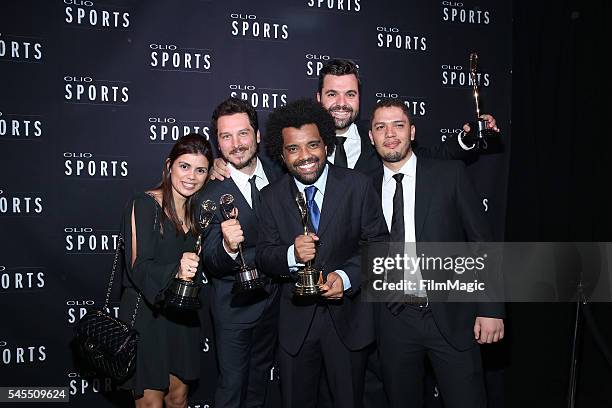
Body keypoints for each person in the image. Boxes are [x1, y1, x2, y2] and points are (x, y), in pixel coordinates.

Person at [368, 98, 504, 408]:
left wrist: (491, 308)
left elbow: (482, 242)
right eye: (381, 127)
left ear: (412, 132)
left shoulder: (449, 174)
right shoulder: (364, 186)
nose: (390, 134)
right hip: (393, 320)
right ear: (371, 137)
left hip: (452, 315)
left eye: (398, 125)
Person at [256, 98, 389, 408]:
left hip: (348, 325)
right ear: (281, 153)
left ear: (326, 144)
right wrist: (291, 255)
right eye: (293, 149)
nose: (305, 157)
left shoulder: (358, 186)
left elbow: (379, 245)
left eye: (313, 145)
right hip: (295, 328)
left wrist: (346, 277)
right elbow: (264, 255)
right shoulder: (271, 197)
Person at [209, 58, 499, 181]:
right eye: (332, 94)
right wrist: (223, 166)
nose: (341, 103)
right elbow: (255, 170)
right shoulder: (291, 145)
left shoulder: (380, 140)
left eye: (350, 94)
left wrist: (469, 138)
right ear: (319, 98)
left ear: (360, 97)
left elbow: (435, 155)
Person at [197, 97, 284, 408]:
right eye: (225, 136)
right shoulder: (209, 192)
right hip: (234, 310)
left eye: (243, 133)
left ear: (257, 135)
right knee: (232, 391)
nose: (236, 144)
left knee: (258, 388)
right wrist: (226, 246)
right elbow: (210, 259)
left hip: (276, 306)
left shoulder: (280, 172)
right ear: (217, 143)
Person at [118, 133, 213, 408]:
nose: (191, 176)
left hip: (182, 318)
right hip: (147, 316)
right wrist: (176, 268)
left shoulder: (199, 213)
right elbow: (138, 268)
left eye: (201, 169)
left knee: (178, 398)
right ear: (169, 165)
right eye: (184, 166)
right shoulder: (144, 204)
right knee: (150, 403)